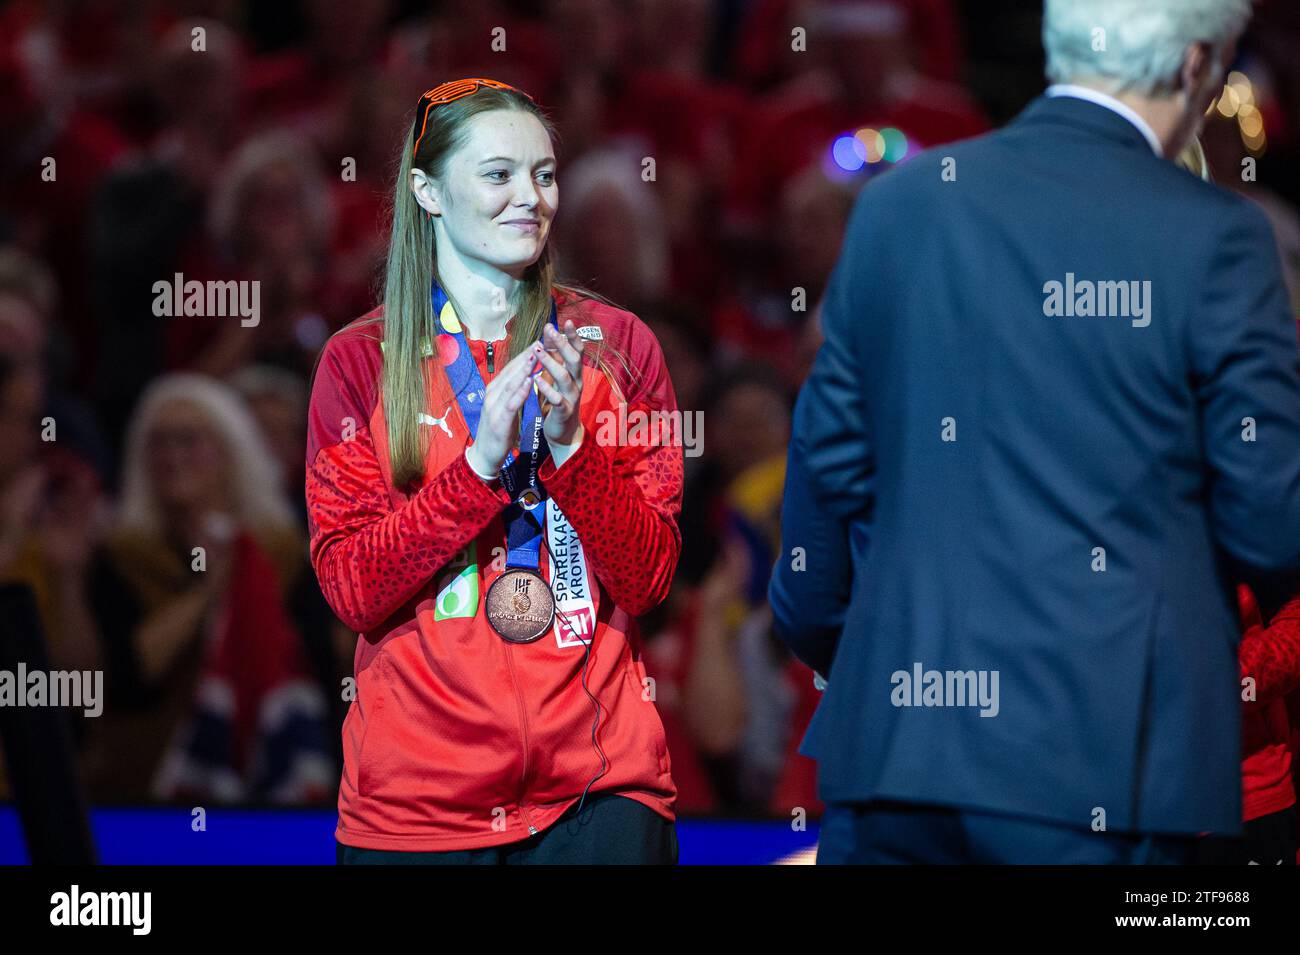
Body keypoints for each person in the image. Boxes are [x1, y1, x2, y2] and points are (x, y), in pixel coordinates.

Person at [774, 0, 1300, 863]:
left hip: (894, 766)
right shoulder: (1215, 235)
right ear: (1196, 63)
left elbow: (812, 559)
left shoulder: (899, 206)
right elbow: (1270, 524)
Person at [307, 78, 683, 863]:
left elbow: (647, 578)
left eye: (544, 174)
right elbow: (352, 586)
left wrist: (573, 448)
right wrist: (477, 468)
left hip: (600, 795)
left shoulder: (619, 347)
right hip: (415, 808)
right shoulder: (359, 363)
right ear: (428, 191)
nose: (531, 198)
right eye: (498, 174)